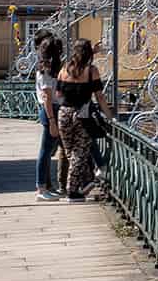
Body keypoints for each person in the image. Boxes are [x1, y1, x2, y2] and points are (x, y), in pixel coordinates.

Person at [55, 38, 109, 202]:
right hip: (82, 115)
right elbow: (99, 97)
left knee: (70, 151)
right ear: (89, 53)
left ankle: (83, 184)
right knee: (79, 152)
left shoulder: (65, 68)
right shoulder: (91, 71)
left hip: (63, 113)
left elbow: (58, 94)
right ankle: (73, 191)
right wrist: (110, 116)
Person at [32, 35, 63, 202]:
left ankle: (47, 186)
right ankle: (41, 188)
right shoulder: (45, 71)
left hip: (54, 110)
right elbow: (46, 97)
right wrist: (51, 121)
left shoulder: (50, 68)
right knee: (45, 152)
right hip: (50, 111)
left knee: (49, 150)